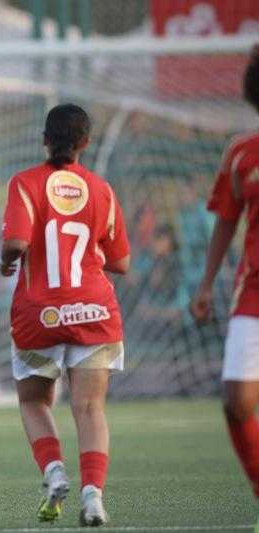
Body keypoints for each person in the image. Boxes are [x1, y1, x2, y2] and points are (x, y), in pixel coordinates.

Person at [0, 104, 130, 527]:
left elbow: (16, 242)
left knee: (34, 401)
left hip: (40, 314)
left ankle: (54, 472)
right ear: (85, 144)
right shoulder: (102, 190)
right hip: (94, 312)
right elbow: (121, 261)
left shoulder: (25, 183)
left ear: (44, 139)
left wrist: (6, 262)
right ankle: (93, 496)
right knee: (90, 409)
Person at [189, 45, 259, 524]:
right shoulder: (241, 152)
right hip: (252, 292)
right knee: (237, 402)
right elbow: (226, 220)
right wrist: (206, 283)